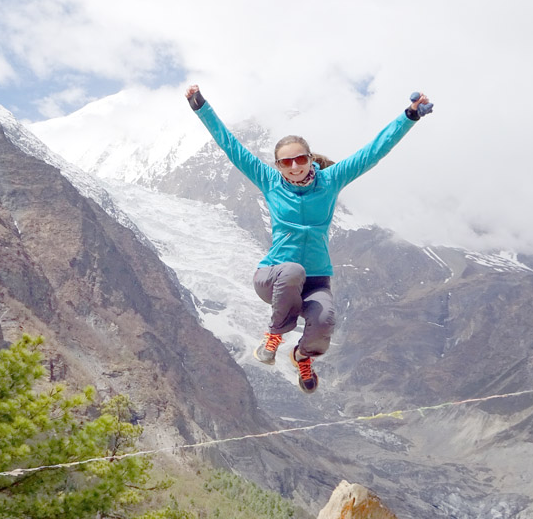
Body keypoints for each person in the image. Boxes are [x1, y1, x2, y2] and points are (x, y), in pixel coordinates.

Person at [184, 84, 430, 393]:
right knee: (292, 270)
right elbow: (229, 145)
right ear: (278, 166)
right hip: (273, 278)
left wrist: (408, 117)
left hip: (316, 281)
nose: (294, 166)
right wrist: (200, 106)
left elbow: (373, 152)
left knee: (325, 320)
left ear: (309, 158)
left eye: (299, 159)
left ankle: (301, 355)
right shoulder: (268, 180)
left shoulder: (330, 180)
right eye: (286, 162)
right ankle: (274, 335)